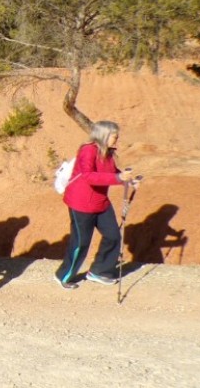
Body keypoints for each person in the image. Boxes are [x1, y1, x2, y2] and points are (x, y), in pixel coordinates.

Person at [55, 121, 139, 289]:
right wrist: (118, 179)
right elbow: (88, 176)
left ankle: (100, 271)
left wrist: (128, 181)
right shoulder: (88, 150)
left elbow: (113, 172)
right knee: (81, 242)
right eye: (115, 136)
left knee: (113, 236)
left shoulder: (107, 153)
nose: (117, 140)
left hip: (100, 202)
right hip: (81, 204)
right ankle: (64, 276)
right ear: (104, 135)